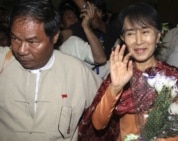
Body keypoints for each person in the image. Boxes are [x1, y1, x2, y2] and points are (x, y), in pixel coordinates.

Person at [78, 2, 178, 141]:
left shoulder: (174, 79)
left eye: (145, 32)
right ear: (123, 39)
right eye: (130, 33)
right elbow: (98, 125)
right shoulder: (120, 76)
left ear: (158, 36)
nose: (138, 41)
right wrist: (115, 88)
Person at [0, 0, 102, 141]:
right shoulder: (3, 62)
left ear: (54, 36)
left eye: (32, 42)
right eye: (15, 39)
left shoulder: (76, 72)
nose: (21, 50)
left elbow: (108, 107)